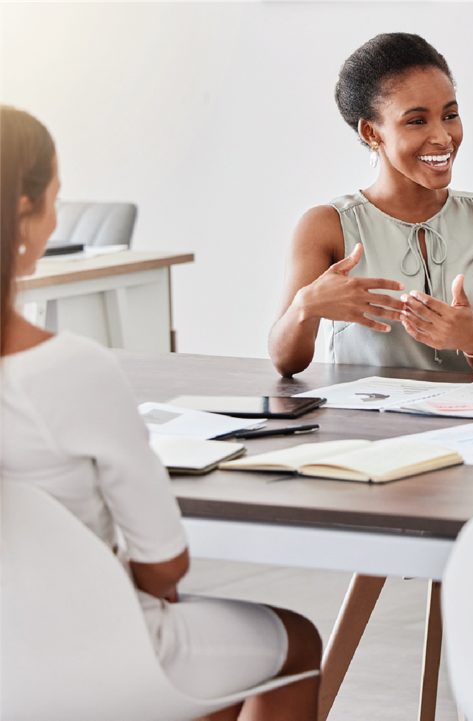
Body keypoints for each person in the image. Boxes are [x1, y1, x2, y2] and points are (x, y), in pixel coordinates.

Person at [0, 106, 322, 719]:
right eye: (55, 201)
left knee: (206, 673)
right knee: (293, 640)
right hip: (88, 658)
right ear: (24, 209)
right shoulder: (68, 369)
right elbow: (163, 564)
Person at [269, 32, 473, 377]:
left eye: (450, 115)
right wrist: (306, 306)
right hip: (367, 423)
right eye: (417, 121)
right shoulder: (326, 225)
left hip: (466, 421)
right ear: (372, 133)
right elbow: (286, 363)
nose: (443, 137)